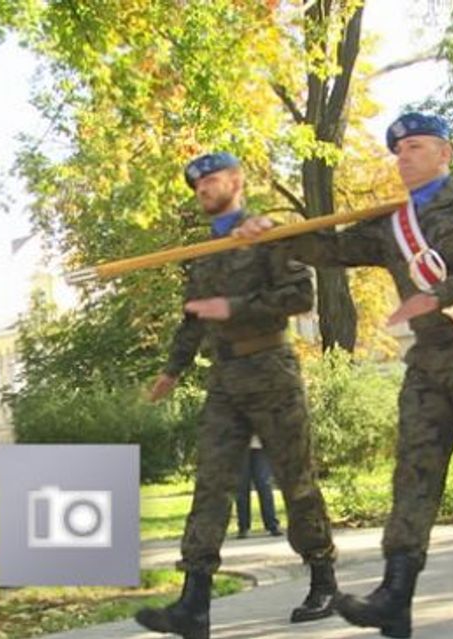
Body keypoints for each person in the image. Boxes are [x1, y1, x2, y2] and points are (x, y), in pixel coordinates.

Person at [238, 112, 453, 637]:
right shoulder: (391, 224)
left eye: (416, 147)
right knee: (413, 473)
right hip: (428, 365)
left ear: (445, 153)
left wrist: (437, 294)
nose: (404, 157)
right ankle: (396, 594)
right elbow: (331, 250)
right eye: (399, 150)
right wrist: (273, 235)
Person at [136, 152, 339, 639]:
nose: (202, 187)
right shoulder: (203, 252)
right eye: (197, 183)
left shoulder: (267, 232)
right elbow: (193, 317)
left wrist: (233, 306)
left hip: (271, 369)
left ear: (236, 180)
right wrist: (172, 370)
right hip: (225, 380)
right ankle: (194, 603)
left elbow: (299, 297)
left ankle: (323, 578)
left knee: (296, 480)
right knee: (211, 484)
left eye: (210, 178)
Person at [235, 436, 283, 539]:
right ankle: (243, 527)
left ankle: (272, 525)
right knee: (242, 487)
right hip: (239, 445)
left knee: (264, 484)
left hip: (260, 445)